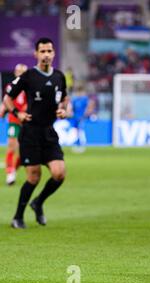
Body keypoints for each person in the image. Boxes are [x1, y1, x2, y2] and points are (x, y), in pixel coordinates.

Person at [2, 37, 69, 229]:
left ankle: (38, 202)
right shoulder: (29, 76)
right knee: (33, 177)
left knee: (59, 173)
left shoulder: (59, 76)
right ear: (36, 54)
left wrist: (63, 109)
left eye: (49, 51)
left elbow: (64, 98)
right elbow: (8, 98)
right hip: (30, 132)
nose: (46, 54)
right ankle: (18, 217)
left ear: (54, 53)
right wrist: (17, 113)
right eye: (43, 51)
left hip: (49, 132)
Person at [0, 64, 28, 185]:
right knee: (12, 146)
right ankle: (10, 173)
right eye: (18, 71)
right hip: (13, 120)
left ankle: (14, 171)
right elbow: (6, 101)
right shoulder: (10, 86)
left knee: (24, 152)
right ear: (15, 72)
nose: (20, 73)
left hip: (26, 122)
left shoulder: (30, 87)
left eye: (23, 71)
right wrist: (2, 110)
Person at [67, 83, 96, 153]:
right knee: (77, 131)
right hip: (75, 118)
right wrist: (70, 113)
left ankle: (81, 144)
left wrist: (87, 113)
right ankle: (78, 143)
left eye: (80, 92)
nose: (79, 93)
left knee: (80, 130)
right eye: (78, 92)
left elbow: (90, 105)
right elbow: (70, 108)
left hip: (82, 118)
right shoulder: (74, 99)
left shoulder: (85, 99)